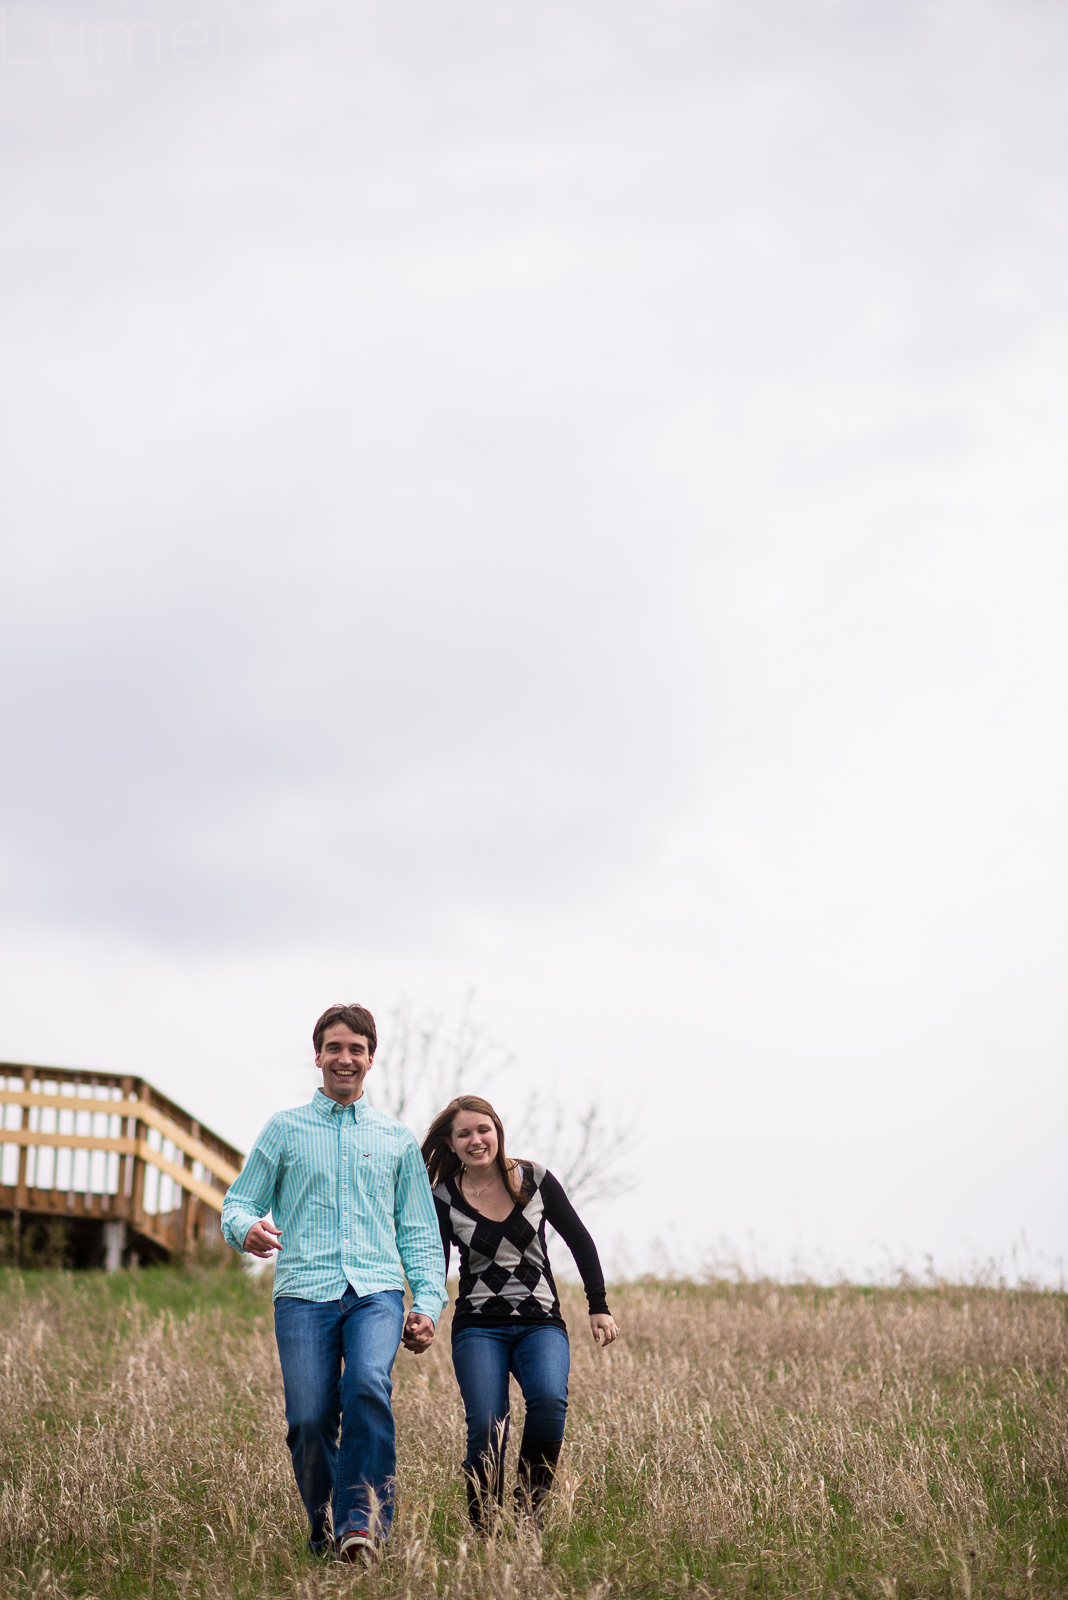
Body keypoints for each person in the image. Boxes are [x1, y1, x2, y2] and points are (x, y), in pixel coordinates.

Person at [221, 1003, 446, 1565]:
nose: (345, 1059)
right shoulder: (284, 1129)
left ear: (371, 1059)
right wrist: (245, 1227)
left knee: (367, 1383)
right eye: (335, 1048)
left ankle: (362, 1528)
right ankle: (326, 1530)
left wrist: (428, 1302)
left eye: (356, 1049)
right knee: (309, 1419)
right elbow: (239, 1201)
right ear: (318, 1055)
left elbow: (419, 1230)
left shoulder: (396, 1139)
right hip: (303, 1290)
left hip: (375, 1290)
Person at [422, 1095, 618, 1534]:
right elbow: (435, 1265)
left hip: (540, 1322)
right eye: (464, 1134)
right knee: (487, 1427)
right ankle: (484, 1528)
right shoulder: (443, 1196)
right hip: (478, 1326)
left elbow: (579, 1240)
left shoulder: (534, 1178)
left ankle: (530, 1511)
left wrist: (598, 1306)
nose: (476, 1140)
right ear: (451, 1144)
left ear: (498, 1131)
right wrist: (426, 1313)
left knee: (549, 1402)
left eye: (483, 1129)